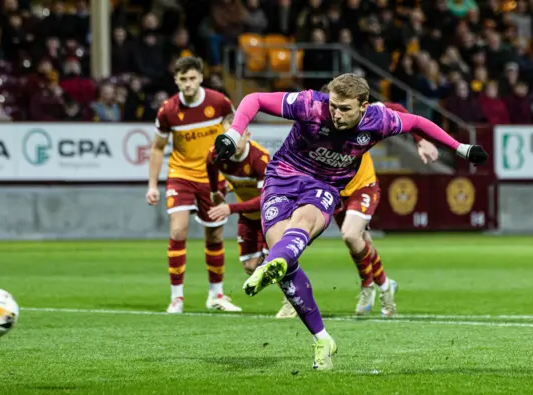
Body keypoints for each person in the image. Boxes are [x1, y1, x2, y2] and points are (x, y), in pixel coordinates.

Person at [213, 73, 488, 370]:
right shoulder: (309, 105)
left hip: (325, 185)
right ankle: (322, 337)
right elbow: (254, 100)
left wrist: (461, 148)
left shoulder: (378, 120)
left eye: (345, 109)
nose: (336, 113)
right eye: (334, 106)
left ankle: (276, 264)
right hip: (282, 177)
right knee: (284, 253)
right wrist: (233, 133)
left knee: (303, 225)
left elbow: (418, 122)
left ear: (363, 106)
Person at [275, 100, 440, 320]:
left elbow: (398, 109)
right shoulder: (313, 127)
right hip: (332, 191)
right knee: (362, 243)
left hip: (363, 186)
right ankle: (385, 286)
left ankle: (367, 286)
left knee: (351, 235)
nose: (335, 115)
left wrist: (420, 140)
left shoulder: (363, 114)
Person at [146, 56, 241, 314]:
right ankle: (177, 297)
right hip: (181, 175)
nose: (187, 84)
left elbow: (233, 133)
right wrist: (152, 185)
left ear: (200, 77)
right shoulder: (168, 110)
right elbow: (157, 148)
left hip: (212, 179)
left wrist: (230, 173)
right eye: (182, 79)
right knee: (178, 231)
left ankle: (216, 294)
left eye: (192, 78)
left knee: (215, 234)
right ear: (176, 80)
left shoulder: (219, 102)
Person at [206, 131, 270, 276]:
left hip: (271, 216)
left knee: (272, 263)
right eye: (231, 138)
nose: (235, 142)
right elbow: (210, 164)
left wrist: (230, 208)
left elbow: (266, 200)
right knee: (250, 267)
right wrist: (215, 190)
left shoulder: (259, 159)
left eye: (238, 136)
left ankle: (292, 295)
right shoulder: (217, 154)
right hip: (248, 216)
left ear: (247, 135)